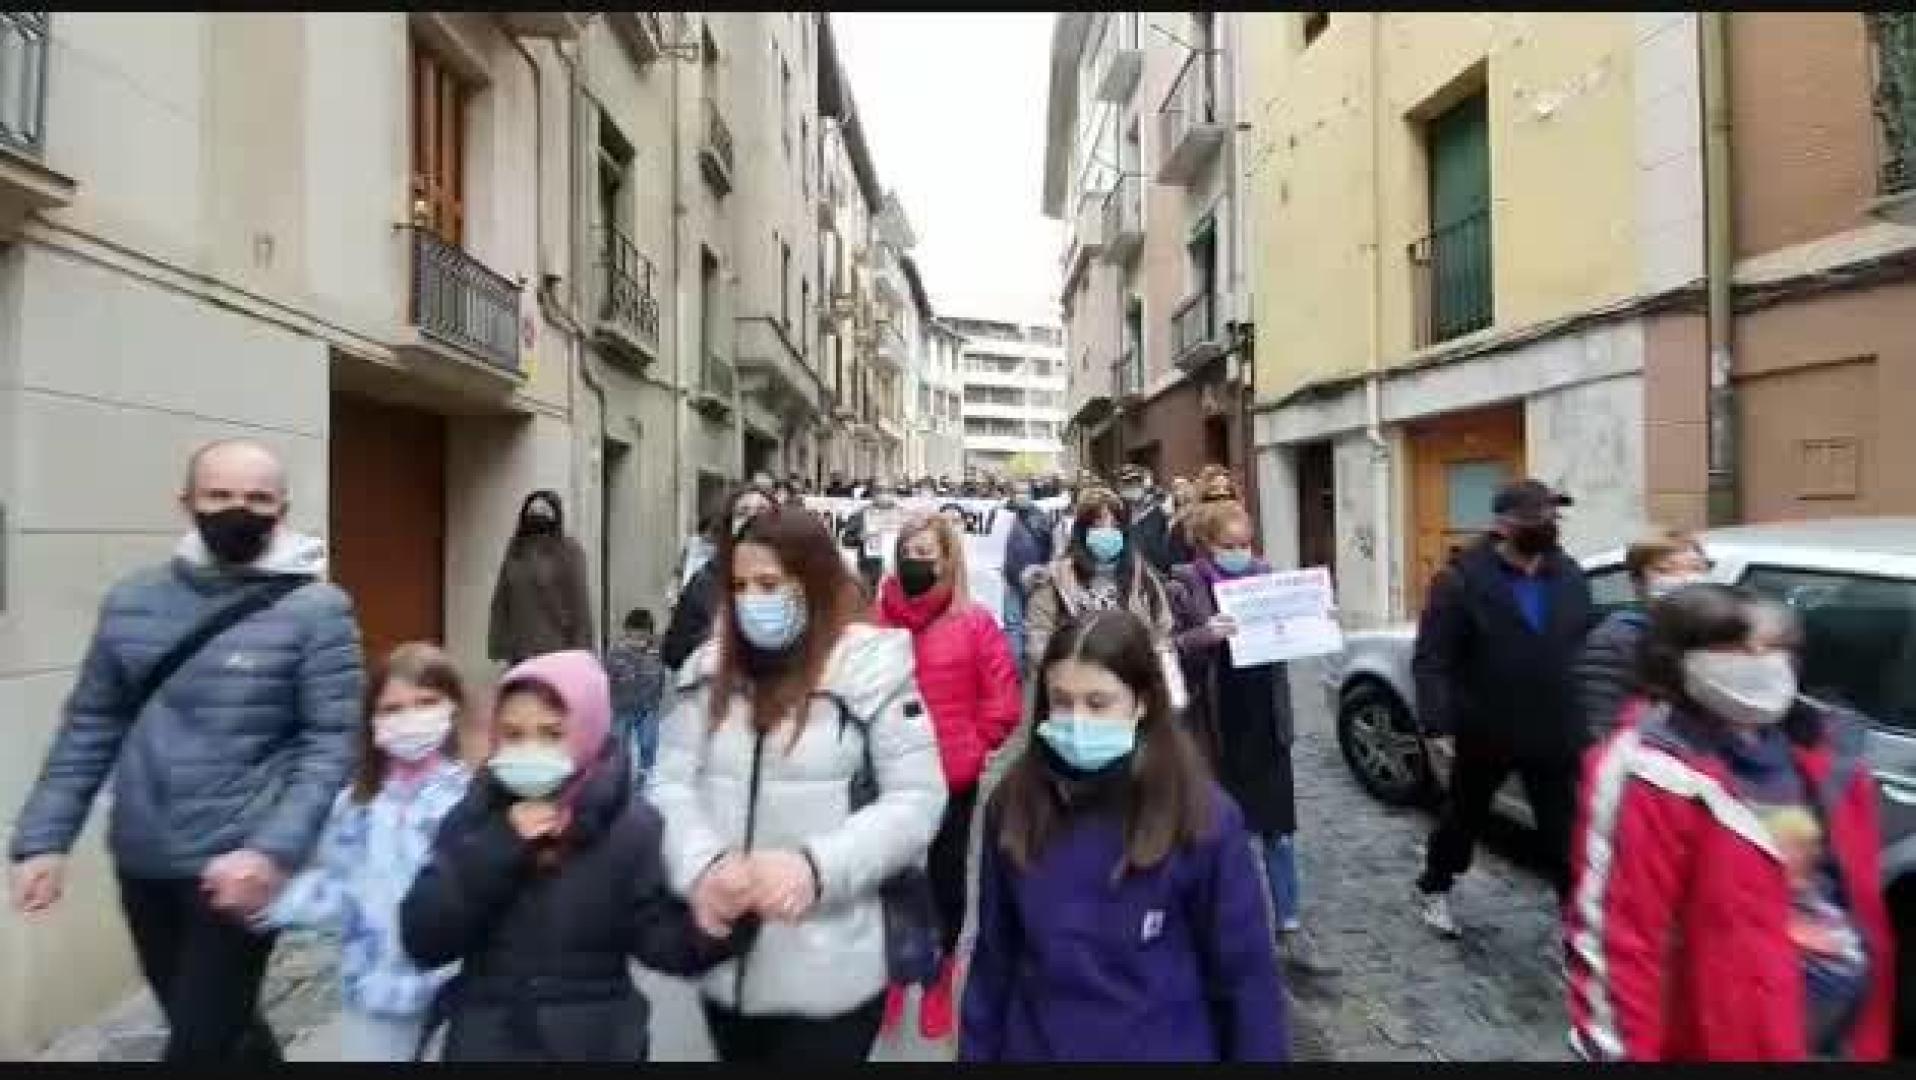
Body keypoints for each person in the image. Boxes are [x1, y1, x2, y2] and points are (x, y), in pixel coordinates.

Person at [8, 438, 364, 1062]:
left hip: (241, 866)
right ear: (186, 503)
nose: (238, 509)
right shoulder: (132, 601)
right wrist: (44, 840)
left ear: (282, 509)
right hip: (144, 856)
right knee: (219, 1028)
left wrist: (274, 850)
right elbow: (90, 725)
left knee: (199, 1042)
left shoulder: (318, 612)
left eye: (257, 498)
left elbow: (330, 743)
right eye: (219, 495)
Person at [649, 507, 947, 1064]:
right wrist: (703, 866)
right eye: (739, 586)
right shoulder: (706, 673)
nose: (751, 600)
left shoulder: (872, 671)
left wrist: (816, 868)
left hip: (832, 974)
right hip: (728, 971)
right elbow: (669, 786)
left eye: (769, 584)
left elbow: (917, 801)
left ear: (812, 582)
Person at [1565, 586, 1893, 1061]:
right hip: (1733, 1034)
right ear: (1679, 660)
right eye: (1737, 648)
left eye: (1776, 646)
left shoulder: (1824, 748)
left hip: (1840, 1031)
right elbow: (1618, 940)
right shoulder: (1649, 772)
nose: (1762, 662)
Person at [958, 610, 1288, 1062]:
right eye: (1061, 701)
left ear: (1141, 703)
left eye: (1098, 703)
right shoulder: (1014, 804)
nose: (1076, 720)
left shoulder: (1202, 815)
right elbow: (994, 960)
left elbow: (1246, 980)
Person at [400, 651, 745, 1061]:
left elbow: (659, 939)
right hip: (488, 1042)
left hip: (596, 1043)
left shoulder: (630, 828)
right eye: (513, 734)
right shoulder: (475, 814)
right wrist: (502, 844)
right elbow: (424, 936)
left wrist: (722, 921)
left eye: (550, 733)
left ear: (587, 731)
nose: (529, 750)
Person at [259, 643, 471, 1061]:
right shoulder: (354, 808)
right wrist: (272, 898)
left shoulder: (473, 801)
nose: (411, 719)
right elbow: (337, 889)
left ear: (453, 709)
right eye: (393, 708)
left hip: (455, 991)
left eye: (427, 702)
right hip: (372, 991)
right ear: (372, 721)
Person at [1411, 479, 1593, 937]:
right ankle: (1436, 884)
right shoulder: (1461, 581)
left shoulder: (1568, 576)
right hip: (1487, 728)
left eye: (1553, 517)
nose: (1548, 526)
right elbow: (1433, 658)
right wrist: (1438, 726)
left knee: (1565, 831)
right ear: (1502, 525)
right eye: (1536, 518)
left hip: (1555, 728)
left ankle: (1577, 921)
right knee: (1464, 817)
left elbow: (1581, 645)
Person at [1168, 501, 1337, 977]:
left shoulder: (1268, 577)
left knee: (1279, 835)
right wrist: (1206, 636)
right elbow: (1168, 650)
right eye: (1230, 546)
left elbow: (1294, 633)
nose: (1241, 554)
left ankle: (1289, 925)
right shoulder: (1184, 584)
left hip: (1265, 723)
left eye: (1246, 544)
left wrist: (1316, 616)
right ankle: (1230, 930)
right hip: (1215, 727)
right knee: (1226, 835)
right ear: (1206, 544)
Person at [871, 513, 1023, 1041]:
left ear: (947, 558)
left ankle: (938, 974)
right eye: (907, 550)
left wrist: (976, 744)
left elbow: (1003, 697)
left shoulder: (975, 621)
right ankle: (895, 968)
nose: (916, 560)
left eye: (926, 551)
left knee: (944, 877)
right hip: (888, 774)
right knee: (888, 875)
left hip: (951, 777)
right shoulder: (876, 621)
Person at [1573, 528, 1708, 742]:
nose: (1685, 579)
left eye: (1696, 568)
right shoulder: (1614, 641)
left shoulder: (1720, 635)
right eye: (1665, 570)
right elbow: (1601, 729)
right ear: (1638, 583)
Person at [1023, 487, 1174, 674]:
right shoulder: (1055, 579)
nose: (1107, 531)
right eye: (1097, 525)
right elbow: (1039, 636)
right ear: (1082, 531)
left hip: (1131, 681)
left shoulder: (1143, 575)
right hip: (1077, 681)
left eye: (1114, 525)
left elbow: (1162, 630)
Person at [661, 486, 775, 673]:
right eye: (743, 512)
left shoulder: (801, 581)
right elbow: (673, 653)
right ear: (728, 526)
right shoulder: (704, 582)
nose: (753, 519)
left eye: (763, 511)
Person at [489, 490, 595, 665]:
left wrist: (581, 654)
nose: (537, 517)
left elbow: (580, 604)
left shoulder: (568, 550)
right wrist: (498, 645)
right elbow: (501, 599)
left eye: (543, 512)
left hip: (556, 650)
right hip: (520, 651)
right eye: (532, 512)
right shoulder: (516, 550)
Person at [606, 608, 669, 781]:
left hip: (647, 708)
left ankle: (646, 769)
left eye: (641, 638)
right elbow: (607, 677)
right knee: (619, 742)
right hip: (621, 707)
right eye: (631, 637)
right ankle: (619, 772)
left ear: (650, 636)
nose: (636, 642)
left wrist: (656, 699)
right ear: (625, 634)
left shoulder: (656, 653)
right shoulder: (616, 654)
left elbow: (661, 676)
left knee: (648, 741)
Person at [1000, 479, 1055, 673]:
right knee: (1013, 626)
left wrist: (1044, 572)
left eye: (1025, 491)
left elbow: (1050, 548)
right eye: (1018, 491)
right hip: (1010, 581)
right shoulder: (1000, 515)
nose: (1021, 495)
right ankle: (1015, 669)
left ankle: (1032, 670)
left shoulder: (1041, 518)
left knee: (1033, 626)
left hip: (1035, 582)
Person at [1116, 464, 1175, 575]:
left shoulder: (1160, 512)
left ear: (1144, 484)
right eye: (1127, 483)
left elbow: (1166, 549)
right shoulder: (1119, 514)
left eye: (1135, 482)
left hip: (1155, 574)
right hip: (1127, 575)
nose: (1131, 486)